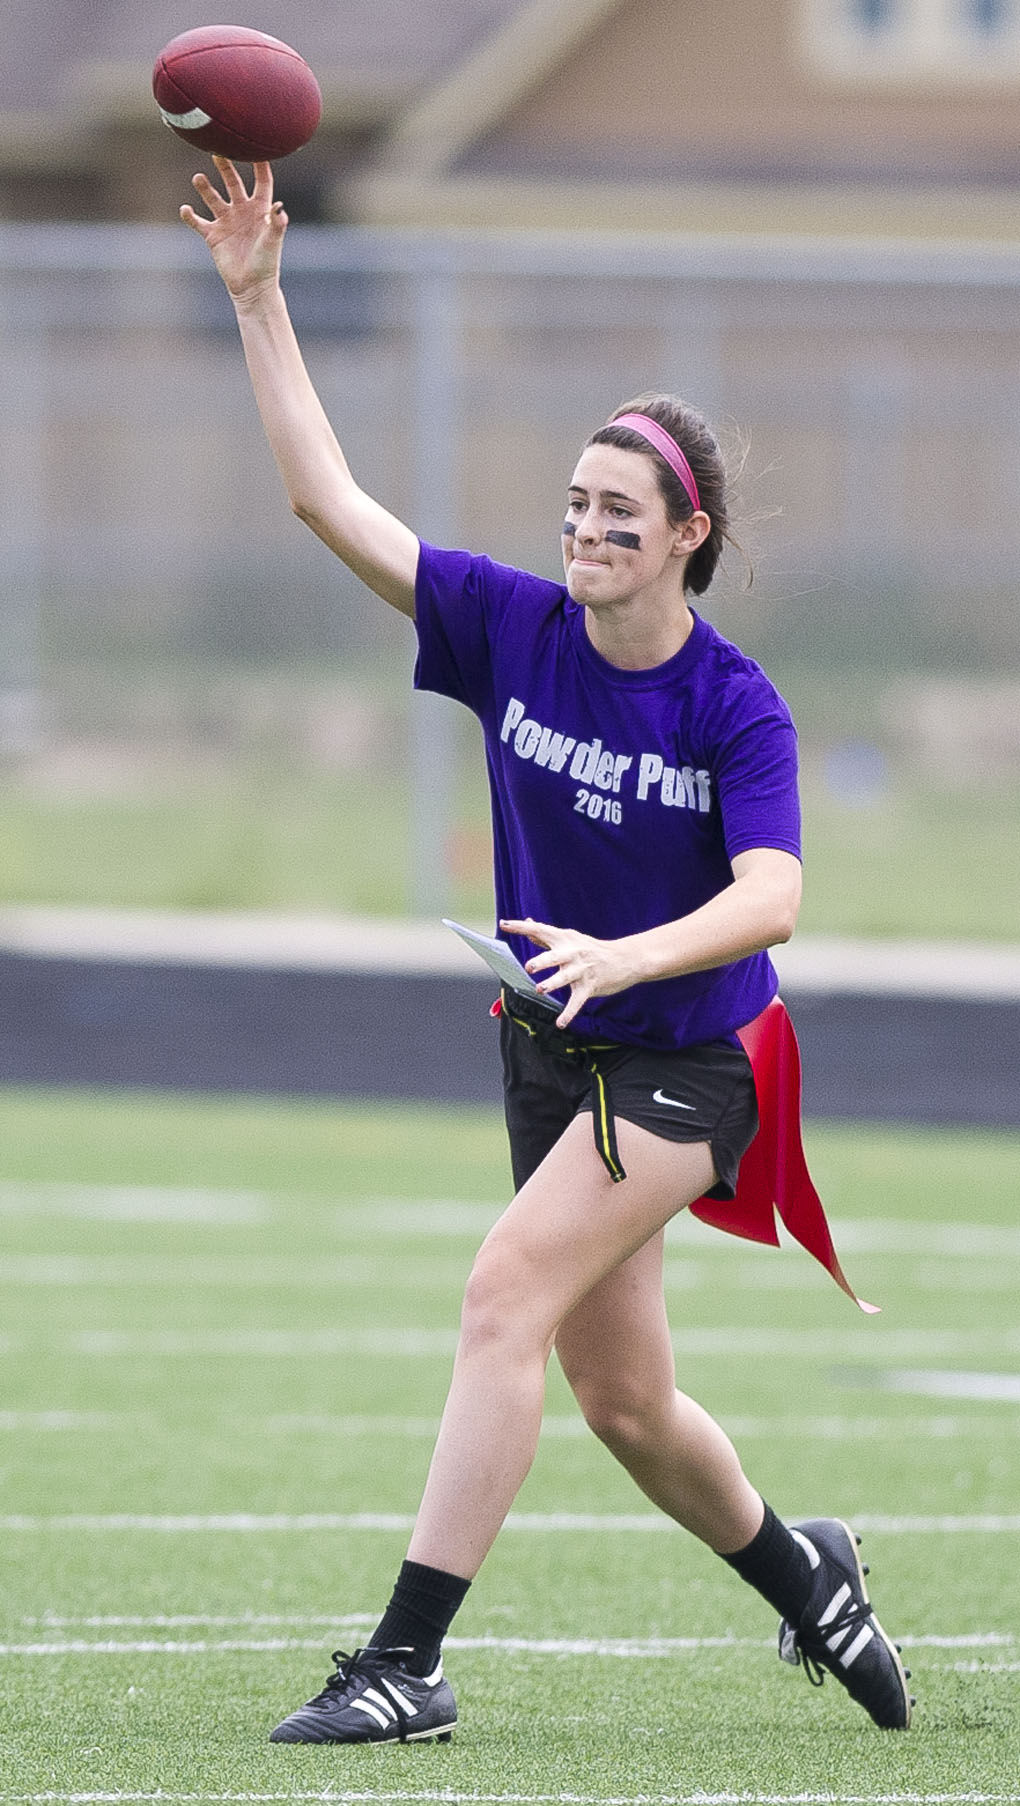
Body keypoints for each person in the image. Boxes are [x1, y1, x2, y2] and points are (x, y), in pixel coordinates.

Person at [181, 157, 913, 1745]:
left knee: (500, 1292)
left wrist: (626, 952)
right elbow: (331, 501)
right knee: (628, 1405)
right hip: (552, 1045)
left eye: (617, 513)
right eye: (574, 505)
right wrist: (260, 299)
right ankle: (814, 1576)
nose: (584, 529)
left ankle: (406, 1661)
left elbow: (772, 897)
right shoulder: (515, 627)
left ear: (685, 537)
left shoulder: (736, 704)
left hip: (690, 1062)